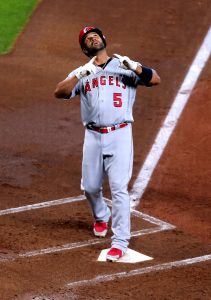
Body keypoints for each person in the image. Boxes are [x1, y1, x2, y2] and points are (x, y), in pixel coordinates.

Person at [54, 26, 160, 262]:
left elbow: (155, 80)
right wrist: (80, 75)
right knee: (90, 187)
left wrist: (135, 67)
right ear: (84, 48)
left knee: (119, 188)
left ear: (104, 40)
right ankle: (101, 214)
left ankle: (120, 241)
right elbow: (59, 92)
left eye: (95, 35)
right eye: (87, 39)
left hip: (120, 134)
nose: (93, 38)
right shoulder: (83, 72)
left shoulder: (124, 65)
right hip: (93, 136)